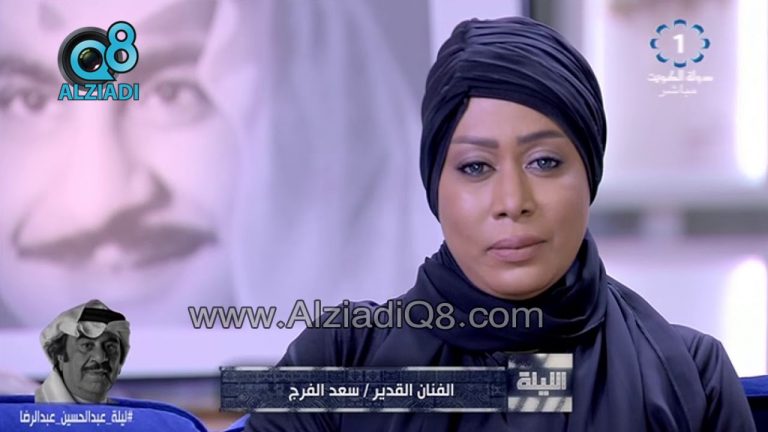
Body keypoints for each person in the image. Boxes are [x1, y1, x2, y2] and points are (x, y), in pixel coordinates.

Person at [246, 16, 755, 431]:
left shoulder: (690, 374)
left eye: (544, 162)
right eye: (475, 167)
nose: (512, 201)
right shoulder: (338, 361)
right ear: (435, 186)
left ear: (590, 174)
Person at [35, 299, 129, 404]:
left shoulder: (127, 412)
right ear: (59, 356)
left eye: (110, 347)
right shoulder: (33, 411)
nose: (100, 357)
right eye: (87, 345)